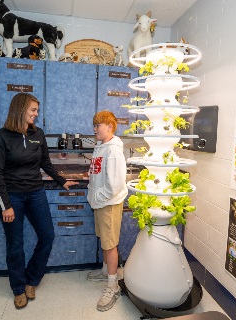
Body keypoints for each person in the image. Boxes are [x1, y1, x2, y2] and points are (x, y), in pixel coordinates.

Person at [0, 93, 78, 309]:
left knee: (47, 236)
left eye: (37, 110)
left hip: (35, 192)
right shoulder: (1, 137)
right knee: (15, 245)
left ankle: (32, 279)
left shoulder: (38, 134)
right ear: (20, 110)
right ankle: (18, 288)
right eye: (33, 110)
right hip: (11, 196)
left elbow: (46, 163)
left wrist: (62, 181)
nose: (36, 114)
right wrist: (6, 205)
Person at [86, 110, 128, 312]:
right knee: (104, 238)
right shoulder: (101, 146)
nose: (94, 129)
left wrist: (98, 198)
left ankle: (113, 285)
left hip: (108, 203)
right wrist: (92, 195)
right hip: (100, 202)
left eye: (97, 126)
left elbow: (116, 185)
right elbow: (95, 175)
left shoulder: (113, 151)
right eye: (94, 125)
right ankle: (106, 271)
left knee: (110, 244)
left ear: (109, 126)